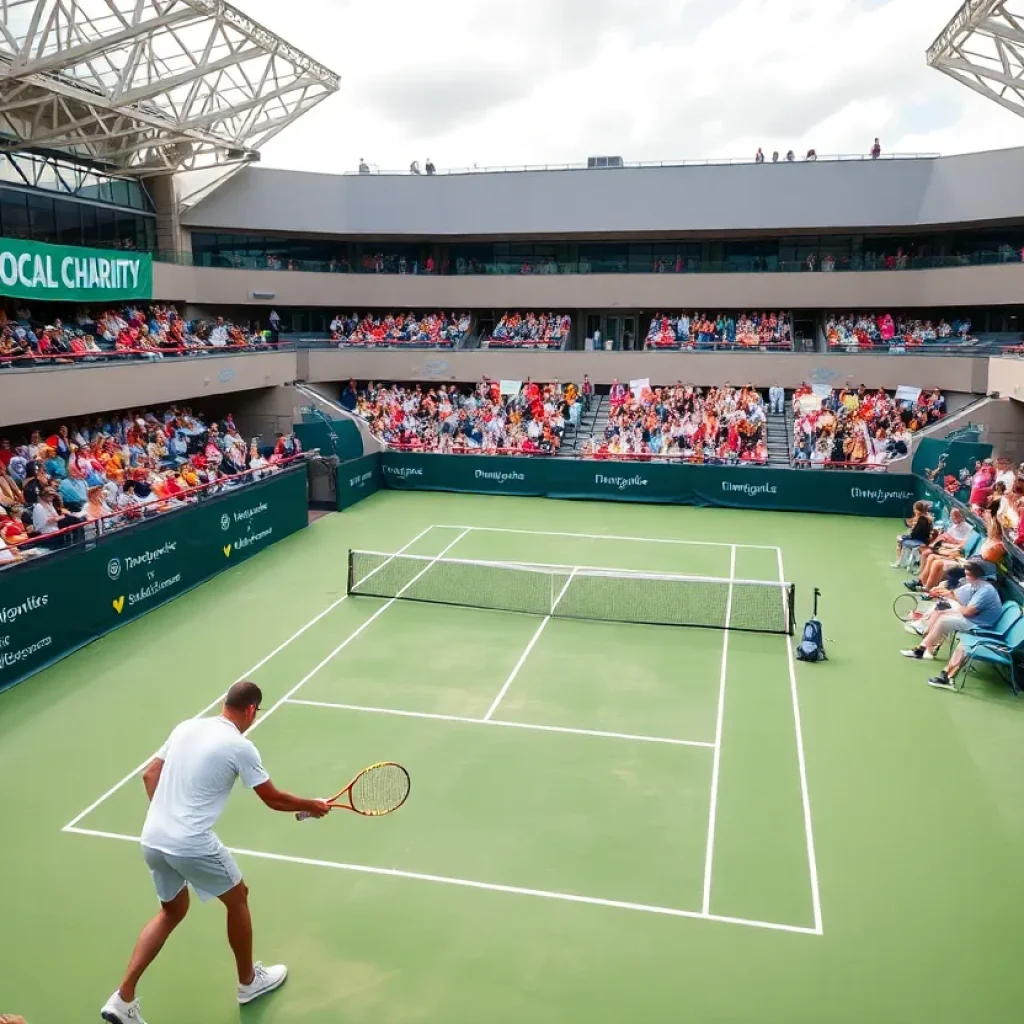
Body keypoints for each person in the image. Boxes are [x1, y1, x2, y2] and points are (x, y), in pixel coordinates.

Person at [100, 681, 330, 1024]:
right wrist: (311, 804)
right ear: (251, 710)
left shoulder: (186, 727)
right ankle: (249, 982)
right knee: (238, 898)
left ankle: (122, 998)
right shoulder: (240, 746)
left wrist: (169, 817)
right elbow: (273, 798)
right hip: (190, 841)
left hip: (153, 836)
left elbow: (150, 775)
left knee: (171, 912)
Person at [901, 560, 1002, 666]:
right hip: (974, 617)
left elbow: (968, 612)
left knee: (944, 620)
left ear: (975, 575)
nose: (966, 577)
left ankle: (921, 650)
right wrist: (946, 594)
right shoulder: (974, 584)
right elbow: (957, 596)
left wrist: (956, 607)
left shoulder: (985, 590)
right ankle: (928, 649)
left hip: (980, 624)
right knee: (942, 610)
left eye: (968, 574)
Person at [893, 501, 933, 568]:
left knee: (899, 539)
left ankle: (899, 562)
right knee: (900, 540)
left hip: (920, 540)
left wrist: (904, 537)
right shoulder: (924, 518)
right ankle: (901, 561)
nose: (914, 511)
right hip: (920, 539)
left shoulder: (922, 520)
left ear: (918, 509)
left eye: (914, 509)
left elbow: (916, 534)